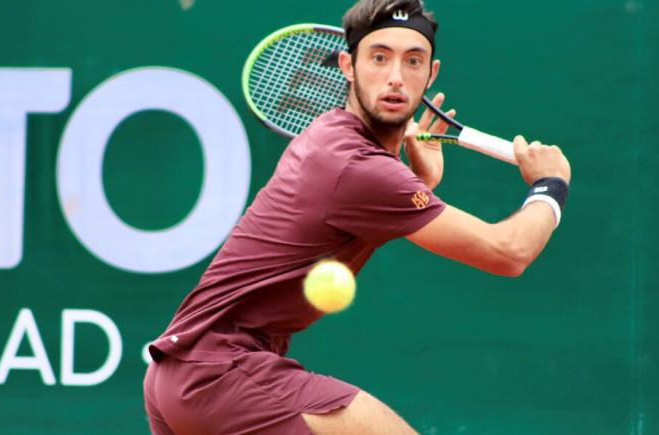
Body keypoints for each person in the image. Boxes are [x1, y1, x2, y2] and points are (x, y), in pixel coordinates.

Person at [143, 0, 572, 433]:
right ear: (347, 65)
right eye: (379, 57)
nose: (395, 77)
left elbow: (366, 198)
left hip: (186, 375)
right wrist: (550, 185)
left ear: (431, 74)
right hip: (220, 372)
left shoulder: (337, 140)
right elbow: (508, 252)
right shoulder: (356, 168)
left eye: (413, 61)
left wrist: (417, 181)